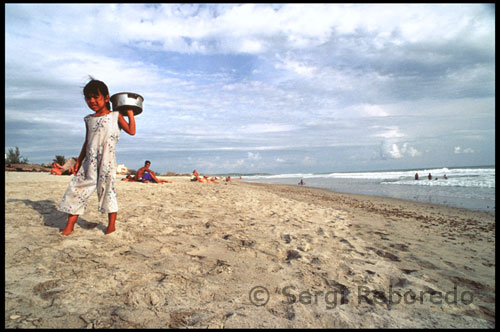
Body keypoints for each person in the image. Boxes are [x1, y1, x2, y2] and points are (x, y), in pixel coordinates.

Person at [57, 79, 136, 236]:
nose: (91, 101)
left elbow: (131, 131)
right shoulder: (89, 119)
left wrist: (130, 113)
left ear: (106, 98)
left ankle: (111, 226)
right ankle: (69, 226)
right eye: (88, 98)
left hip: (107, 161)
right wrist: (79, 161)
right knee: (77, 189)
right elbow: (87, 141)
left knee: (107, 191)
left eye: (96, 97)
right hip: (90, 160)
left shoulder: (115, 116)